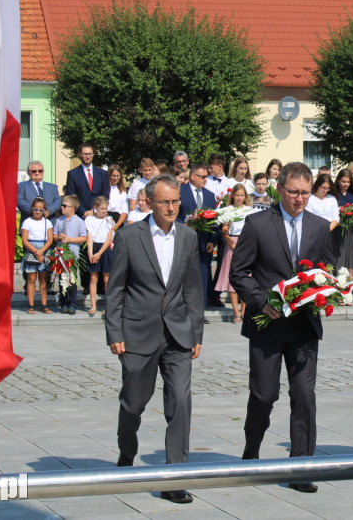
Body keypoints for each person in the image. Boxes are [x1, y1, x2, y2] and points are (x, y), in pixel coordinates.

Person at [229, 162, 335, 493]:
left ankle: (301, 465)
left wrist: (328, 291)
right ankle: (251, 451)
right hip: (267, 325)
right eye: (293, 192)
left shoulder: (319, 227)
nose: (299, 199)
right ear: (280, 189)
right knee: (264, 395)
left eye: (305, 193)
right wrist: (262, 302)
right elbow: (238, 272)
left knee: (304, 395)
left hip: (304, 326)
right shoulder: (258, 223)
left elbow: (328, 269)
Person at [106, 175, 204, 505]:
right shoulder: (129, 237)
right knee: (133, 403)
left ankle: (174, 477)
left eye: (176, 201)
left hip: (177, 334)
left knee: (180, 401)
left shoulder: (189, 237)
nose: (172, 207)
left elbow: (192, 287)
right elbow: (116, 288)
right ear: (148, 202)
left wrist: (196, 332)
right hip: (137, 332)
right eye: (165, 202)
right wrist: (115, 332)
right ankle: (126, 452)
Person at [179, 164, 219, 308]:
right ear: (193, 176)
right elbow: (175, 215)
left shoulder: (209, 195)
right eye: (202, 177)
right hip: (183, 240)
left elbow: (214, 220)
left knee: (202, 274)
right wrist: (184, 225)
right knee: (184, 274)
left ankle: (200, 308)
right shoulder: (180, 191)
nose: (205, 180)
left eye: (206, 177)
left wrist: (212, 240)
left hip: (203, 242)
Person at [216, 184, 251, 323]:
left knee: (246, 278)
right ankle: (236, 313)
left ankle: (244, 311)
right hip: (232, 243)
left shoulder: (250, 210)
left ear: (245, 197)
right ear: (232, 196)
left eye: (242, 195)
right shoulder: (228, 210)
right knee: (232, 278)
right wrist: (231, 242)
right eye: (237, 195)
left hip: (246, 243)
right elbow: (225, 228)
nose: (239, 198)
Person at [54, 196, 88, 314]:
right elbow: (54, 235)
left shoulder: (79, 221)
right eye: (62, 205)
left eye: (64, 206)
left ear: (72, 208)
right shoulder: (59, 220)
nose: (62, 208)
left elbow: (84, 237)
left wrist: (70, 240)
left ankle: (72, 303)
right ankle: (64, 303)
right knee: (62, 279)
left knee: (71, 279)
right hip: (61, 254)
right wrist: (59, 237)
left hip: (73, 254)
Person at [21, 197, 55, 314]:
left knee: (43, 279)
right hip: (31, 250)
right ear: (32, 209)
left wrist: (42, 251)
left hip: (44, 249)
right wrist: (36, 251)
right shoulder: (27, 222)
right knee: (31, 279)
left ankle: (44, 304)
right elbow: (25, 240)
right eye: (36, 209)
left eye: (41, 210)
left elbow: (50, 239)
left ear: (44, 210)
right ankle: (31, 305)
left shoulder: (47, 222)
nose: (38, 212)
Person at [86, 196, 116, 316]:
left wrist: (99, 254)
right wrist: (91, 253)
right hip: (94, 247)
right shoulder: (89, 219)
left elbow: (109, 239)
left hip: (104, 249)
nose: (104, 211)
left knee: (106, 279)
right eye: (102, 208)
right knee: (93, 278)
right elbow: (89, 237)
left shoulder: (109, 219)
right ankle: (93, 305)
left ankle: (107, 306)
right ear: (95, 208)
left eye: (105, 208)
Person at [332, 169, 353, 276]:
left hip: (352, 230)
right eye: (343, 181)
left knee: (352, 255)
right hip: (338, 229)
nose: (346, 184)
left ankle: (351, 282)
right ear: (338, 181)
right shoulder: (333, 194)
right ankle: (339, 282)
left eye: (348, 182)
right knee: (339, 256)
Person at [64, 143, 110, 217]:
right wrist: (84, 212)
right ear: (79, 155)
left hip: (99, 215)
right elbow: (71, 196)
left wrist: (95, 211)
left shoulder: (102, 173)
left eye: (90, 154)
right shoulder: (73, 174)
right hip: (80, 216)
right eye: (85, 154)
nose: (88, 157)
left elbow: (105, 194)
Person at [106, 164, 129, 229]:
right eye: (113, 176)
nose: (115, 178)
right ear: (109, 175)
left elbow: (124, 211)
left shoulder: (123, 191)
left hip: (118, 220)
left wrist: (116, 226)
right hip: (106, 218)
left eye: (117, 176)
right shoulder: (105, 189)